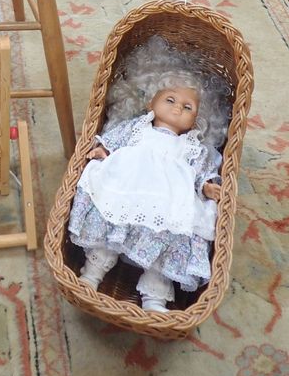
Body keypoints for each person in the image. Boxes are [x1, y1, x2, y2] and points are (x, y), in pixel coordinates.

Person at [68, 71, 223, 312]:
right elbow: (112, 141)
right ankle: (92, 274)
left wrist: (205, 186)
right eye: (169, 100)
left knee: (173, 235)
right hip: (127, 189)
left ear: (196, 120)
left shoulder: (192, 147)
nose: (177, 109)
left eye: (187, 107)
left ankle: (155, 297)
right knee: (112, 218)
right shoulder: (138, 128)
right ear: (151, 103)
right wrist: (103, 151)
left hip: (166, 203)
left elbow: (201, 173)